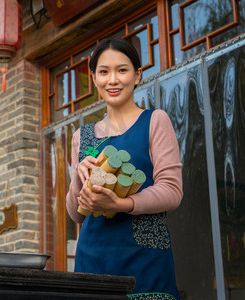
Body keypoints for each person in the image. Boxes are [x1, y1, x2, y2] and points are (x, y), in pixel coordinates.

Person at [66, 38, 183, 300]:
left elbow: (172, 191)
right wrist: (78, 177)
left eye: (122, 70)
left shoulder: (155, 121)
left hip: (144, 259)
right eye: (104, 72)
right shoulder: (81, 137)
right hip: (92, 259)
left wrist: (122, 203)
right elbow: (76, 214)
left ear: (137, 75)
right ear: (94, 78)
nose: (113, 80)